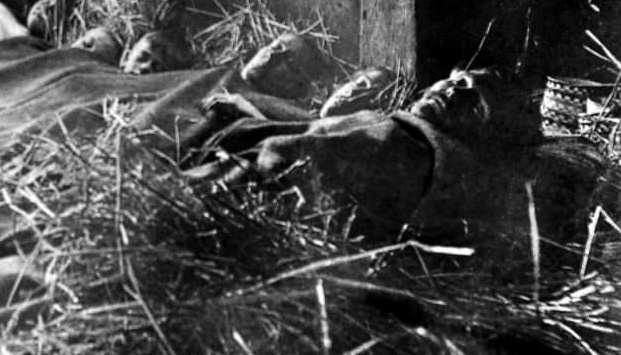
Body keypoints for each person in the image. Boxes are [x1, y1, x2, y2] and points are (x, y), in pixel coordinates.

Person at [182, 67, 598, 238]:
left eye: (475, 102)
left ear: (482, 138)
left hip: (223, 197)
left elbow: (290, 157)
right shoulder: (389, 121)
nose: (452, 91)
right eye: (457, 81)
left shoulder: (414, 148)